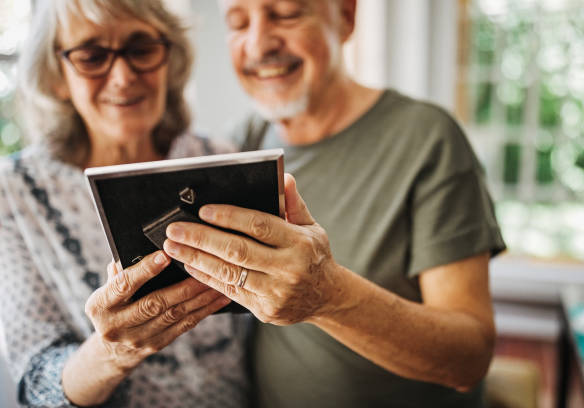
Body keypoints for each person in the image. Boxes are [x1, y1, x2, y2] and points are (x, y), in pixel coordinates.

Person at [162, 0, 507, 407]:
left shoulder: (429, 139)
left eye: (286, 14)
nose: (258, 45)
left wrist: (328, 295)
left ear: (346, 16)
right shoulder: (240, 144)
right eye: (238, 23)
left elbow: (469, 358)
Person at [0, 1, 248, 407]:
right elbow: (36, 383)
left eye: (141, 49)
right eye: (93, 56)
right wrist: (113, 351)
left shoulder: (216, 157)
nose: (123, 76)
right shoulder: (14, 191)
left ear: (169, 56)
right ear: (57, 75)